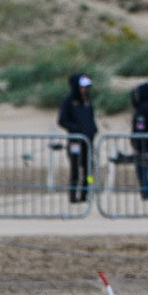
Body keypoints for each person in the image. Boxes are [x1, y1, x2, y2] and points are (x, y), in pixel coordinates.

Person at [57, 73, 97, 203]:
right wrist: (76, 129)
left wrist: (93, 129)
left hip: (88, 141)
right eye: (82, 87)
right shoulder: (68, 102)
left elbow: (91, 118)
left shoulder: (87, 102)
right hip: (75, 141)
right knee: (75, 169)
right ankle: (73, 195)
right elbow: (62, 121)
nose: (84, 90)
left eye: (86, 87)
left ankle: (86, 193)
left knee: (88, 169)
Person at [129, 82, 148, 201]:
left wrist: (137, 144)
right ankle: (146, 194)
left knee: (142, 170)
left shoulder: (143, 109)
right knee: (145, 169)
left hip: (143, 143)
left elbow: (139, 127)